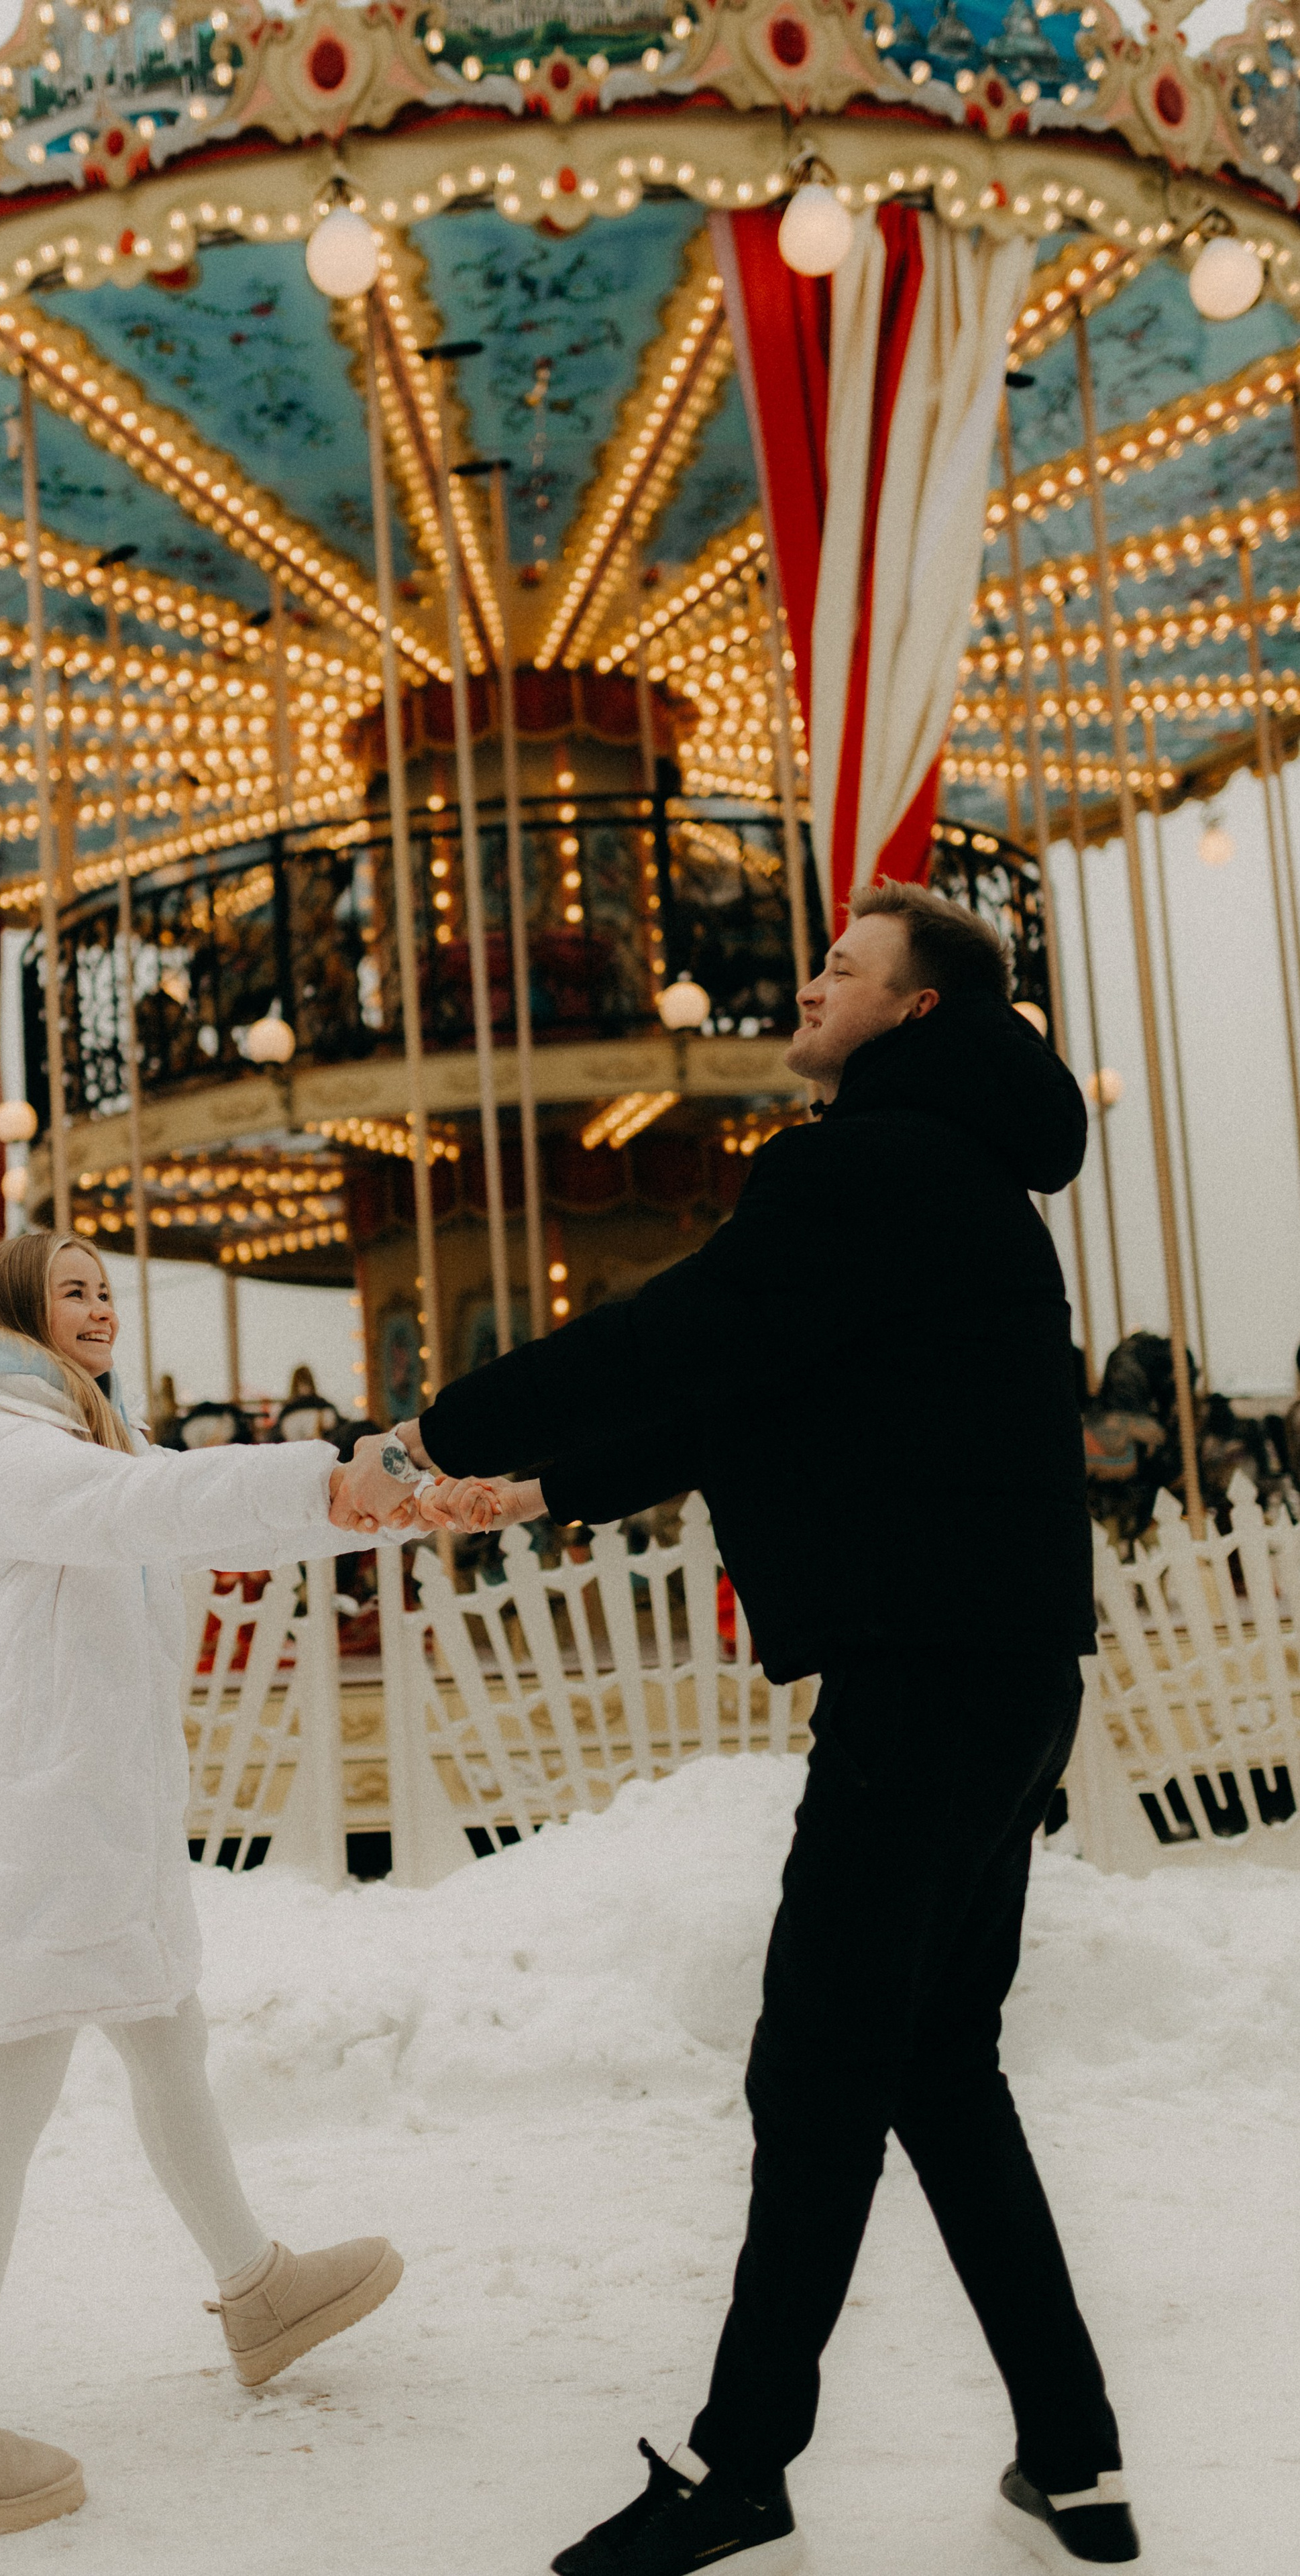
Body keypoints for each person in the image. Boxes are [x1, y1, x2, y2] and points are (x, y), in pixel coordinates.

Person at [335, 881, 1138, 2573]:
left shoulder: (860, 1167)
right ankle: (1073, 2458)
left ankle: (739, 2472)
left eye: (842, 968)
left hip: (920, 1680)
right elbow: (759, 1388)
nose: (809, 984)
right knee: (937, 2065)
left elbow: (677, 1336)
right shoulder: (963, 1180)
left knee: (817, 2068)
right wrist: (539, 1488)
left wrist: (429, 1432)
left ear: (915, 1010)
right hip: (1004, 1673)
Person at [0, 1232, 400, 2547]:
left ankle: (256, 2287)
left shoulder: (88, 1435)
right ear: (15, 1314)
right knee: (5, 2105)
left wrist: (363, 1501)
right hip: (30, 1835)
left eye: (107, 1290)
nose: (101, 1307)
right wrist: (334, 1474)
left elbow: (194, 1508)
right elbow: (143, 1511)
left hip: (92, 1824)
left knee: (169, 2038)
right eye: (73, 1291)